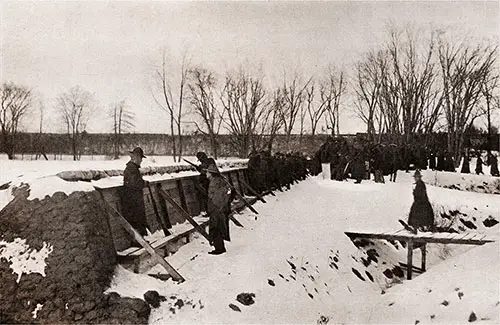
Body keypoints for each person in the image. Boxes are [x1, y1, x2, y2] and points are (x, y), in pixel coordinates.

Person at [121, 147, 149, 237]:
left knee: (137, 220)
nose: (141, 161)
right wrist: (144, 183)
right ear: (135, 157)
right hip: (132, 201)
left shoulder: (133, 168)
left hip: (134, 200)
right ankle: (137, 240)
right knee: (135, 220)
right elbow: (135, 183)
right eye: (140, 158)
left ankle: (140, 239)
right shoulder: (131, 169)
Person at [206, 165, 232, 255]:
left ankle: (219, 249)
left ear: (211, 173)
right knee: (219, 227)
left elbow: (214, 197)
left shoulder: (214, 182)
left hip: (217, 209)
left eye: (207, 172)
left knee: (215, 227)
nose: (206, 174)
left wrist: (214, 207)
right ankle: (220, 247)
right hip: (222, 208)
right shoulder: (221, 180)